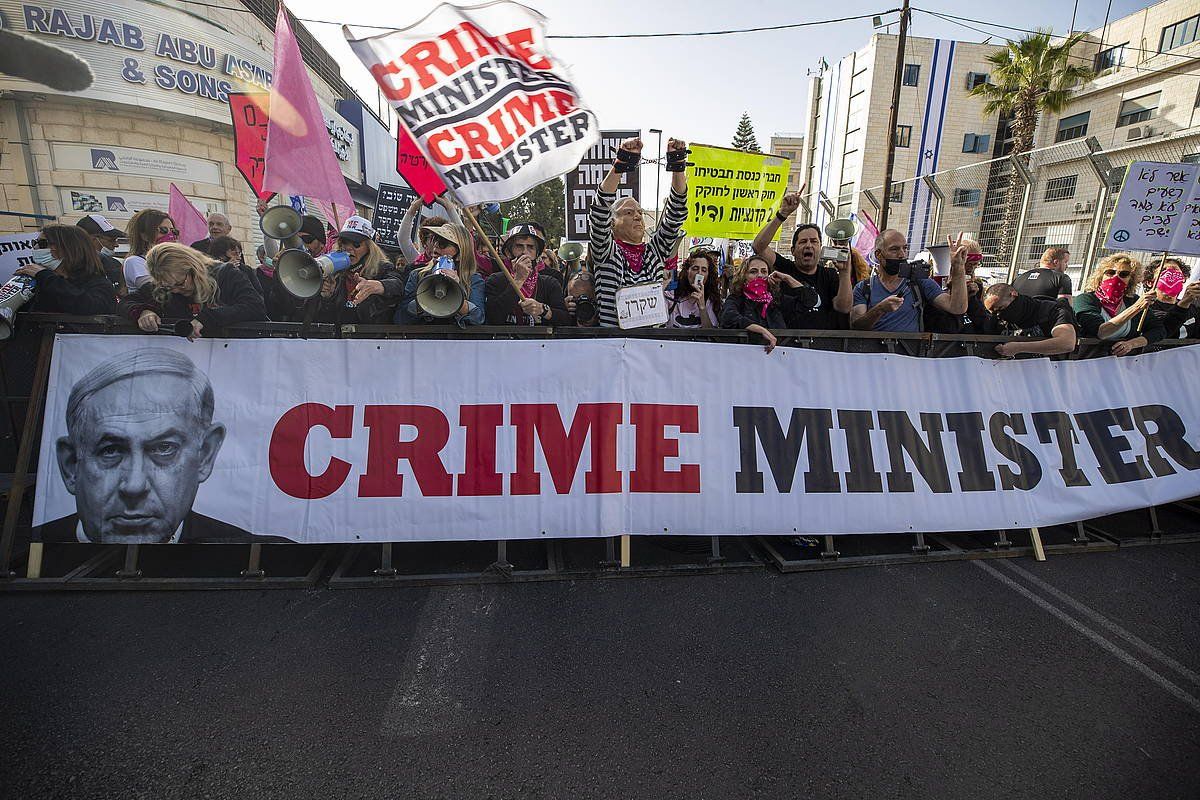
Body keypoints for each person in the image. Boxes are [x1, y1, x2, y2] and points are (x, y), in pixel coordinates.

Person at [37, 347, 287, 544]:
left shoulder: (255, 555)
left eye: (164, 448)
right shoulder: (28, 551)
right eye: (110, 451)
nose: (134, 486)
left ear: (205, 455)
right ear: (70, 466)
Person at [589, 136, 689, 326]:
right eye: (628, 212)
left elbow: (676, 214)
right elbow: (600, 210)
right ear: (612, 223)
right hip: (615, 346)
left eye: (640, 212)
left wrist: (677, 165)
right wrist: (621, 164)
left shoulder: (655, 252)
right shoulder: (605, 252)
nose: (637, 216)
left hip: (649, 346)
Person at [124, 243, 267, 340]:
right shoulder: (163, 286)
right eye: (169, 287)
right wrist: (143, 312)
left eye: (180, 283)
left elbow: (255, 306)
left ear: (194, 269)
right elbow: (126, 301)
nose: (176, 290)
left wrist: (207, 318)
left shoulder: (225, 274)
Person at [751, 193, 852, 329]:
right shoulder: (784, 268)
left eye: (814, 241)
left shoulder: (830, 275)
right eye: (803, 241)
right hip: (788, 345)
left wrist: (845, 273)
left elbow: (843, 308)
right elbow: (758, 246)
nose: (809, 245)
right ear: (793, 251)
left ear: (820, 248)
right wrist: (782, 214)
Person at [850, 230, 968, 332]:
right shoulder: (864, 288)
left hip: (909, 356)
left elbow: (956, 308)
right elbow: (856, 326)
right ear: (879, 255)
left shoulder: (920, 282)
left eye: (905, 248)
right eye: (894, 249)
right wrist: (880, 309)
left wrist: (958, 267)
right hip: (873, 356)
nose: (902, 254)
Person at [313, 216, 406, 325]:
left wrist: (380, 286)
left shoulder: (382, 268)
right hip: (342, 339)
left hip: (372, 338)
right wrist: (328, 298)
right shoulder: (334, 273)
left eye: (356, 244)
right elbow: (325, 320)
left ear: (370, 248)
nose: (348, 248)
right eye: (344, 242)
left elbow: (398, 285)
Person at [1072, 252, 1165, 356]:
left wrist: (1131, 344)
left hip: (1123, 364)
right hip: (1088, 361)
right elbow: (1101, 332)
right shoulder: (1086, 299)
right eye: (1110, 272)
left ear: (1130, 280)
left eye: (1123, 274)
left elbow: (1159, 331)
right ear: (1100, 276)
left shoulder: (1132, 300)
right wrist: (1136, 308)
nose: (1115, 277)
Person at [13, 224, 117, 316]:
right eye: (34, 243)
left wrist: (45, 277)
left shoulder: (99, 283)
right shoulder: (36, 280)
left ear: (66, 249)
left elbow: (87, 306)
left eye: (42, 243)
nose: (35, 247)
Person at [397, 222, 485, 327]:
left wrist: (457, 292)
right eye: (435, 240)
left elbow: (478, 318)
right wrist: (424, 299)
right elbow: (400, 318)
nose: (436, 247)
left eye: (443, 243)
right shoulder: (417, 275)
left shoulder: (473, 280)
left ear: (461, 252)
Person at [484, 220, 570, 326]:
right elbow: (492, 317)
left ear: (537, 253)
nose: (525, 252)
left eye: (531, 247)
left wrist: (543, 310)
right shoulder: (495, 280)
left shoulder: (550, 283)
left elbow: (566, 320)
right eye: (519, 246)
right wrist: (518, 280)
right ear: (508, 252)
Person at [720, 255, 806, 353]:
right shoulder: (736, 299)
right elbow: (728, 317)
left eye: (764, 271)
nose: (760, 275)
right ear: (744, 276)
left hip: (777, 361)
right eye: (753, 271)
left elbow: (809, 302)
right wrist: (761, 330)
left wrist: (788, 278)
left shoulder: (777, 300)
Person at [983, 283, 1078, 356]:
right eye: (994, 312)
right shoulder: (999, 319)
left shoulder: (1051, 310)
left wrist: (1018, 347)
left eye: (1001, 308)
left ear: (1014, 294)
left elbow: (1067, 343)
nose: (999, 315)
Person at [1142, 257, 1199, 339]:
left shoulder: (1193, 309)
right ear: (1150, 282)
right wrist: (1183, 304)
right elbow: (1161, 333)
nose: (1170, 274)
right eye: (1163, 270)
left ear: (1183, 279)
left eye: (1175, 270)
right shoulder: (1145, 308)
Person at [123, 209, 178, 290]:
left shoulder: (174, 261)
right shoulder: (135, 261)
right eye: (163, 230)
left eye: (173, 231)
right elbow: (157, 291)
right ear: (144, 236)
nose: (170, 235)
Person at [664, 249, 720, 329]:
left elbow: (710, 334)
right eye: (695, 269)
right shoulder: (673, 294)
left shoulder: (710, 299)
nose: (699, 273)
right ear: (687, 271)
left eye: (704, 270)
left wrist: (702, 307)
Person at [76, 213, 125, 295]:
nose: (116, 244)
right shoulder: (71, 266)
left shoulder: (115, 263)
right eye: (111, 240)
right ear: (91, 239)